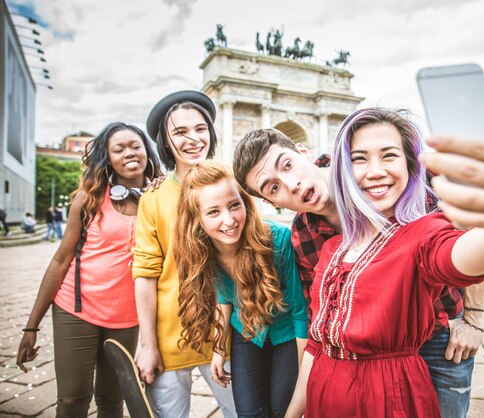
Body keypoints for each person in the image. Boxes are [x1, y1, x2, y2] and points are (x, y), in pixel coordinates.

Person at [279, 107, 484, 417]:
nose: (374, 170)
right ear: (344, 170)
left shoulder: (423, 235)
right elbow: (317, 345)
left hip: (388, 403)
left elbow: (458, 256)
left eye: (389, 156)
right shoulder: (332, 247)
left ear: (410, 166)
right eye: (359, 159)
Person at [234, 131, 484, 417]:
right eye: (273, 187)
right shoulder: (303, 236)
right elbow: (322, 319)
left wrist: (474, 320)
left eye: (287, 165)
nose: (292, 185)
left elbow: (467, 230)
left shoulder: (372, 171)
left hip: (440, 338)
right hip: (372, 358)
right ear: (270, 203)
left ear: (304, 152)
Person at [16, 122, 162, 417]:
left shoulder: (161, 199)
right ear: (108, 159)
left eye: (135, 146)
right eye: (118, 149)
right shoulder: (90, 197)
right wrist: (32, 326)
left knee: (113, 399)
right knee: (72, 399)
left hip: (127, 316)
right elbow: (60, 260)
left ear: (147, 151)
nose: (129, 153)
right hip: (76, 309)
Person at [174, 160, 308, 417]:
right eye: (213, 212)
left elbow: (300, 314)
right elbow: (224, 298)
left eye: (234, 205)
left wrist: (303, 378)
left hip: (288, 335)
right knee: (248, 412)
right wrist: (218, 349)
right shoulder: (203, 252)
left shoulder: (277, 240)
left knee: (283, 411)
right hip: (246, 331)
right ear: (196, 219)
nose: (229, 220)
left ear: (245, 202)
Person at [132, 90, 236, 418]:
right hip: (170, 335)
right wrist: (148, 344)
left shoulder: (233, 182)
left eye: (201, 128)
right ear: (165, 140)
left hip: (229, 333)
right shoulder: (154, 197)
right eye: (180, 132)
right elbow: (145, 273)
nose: (194, 139)